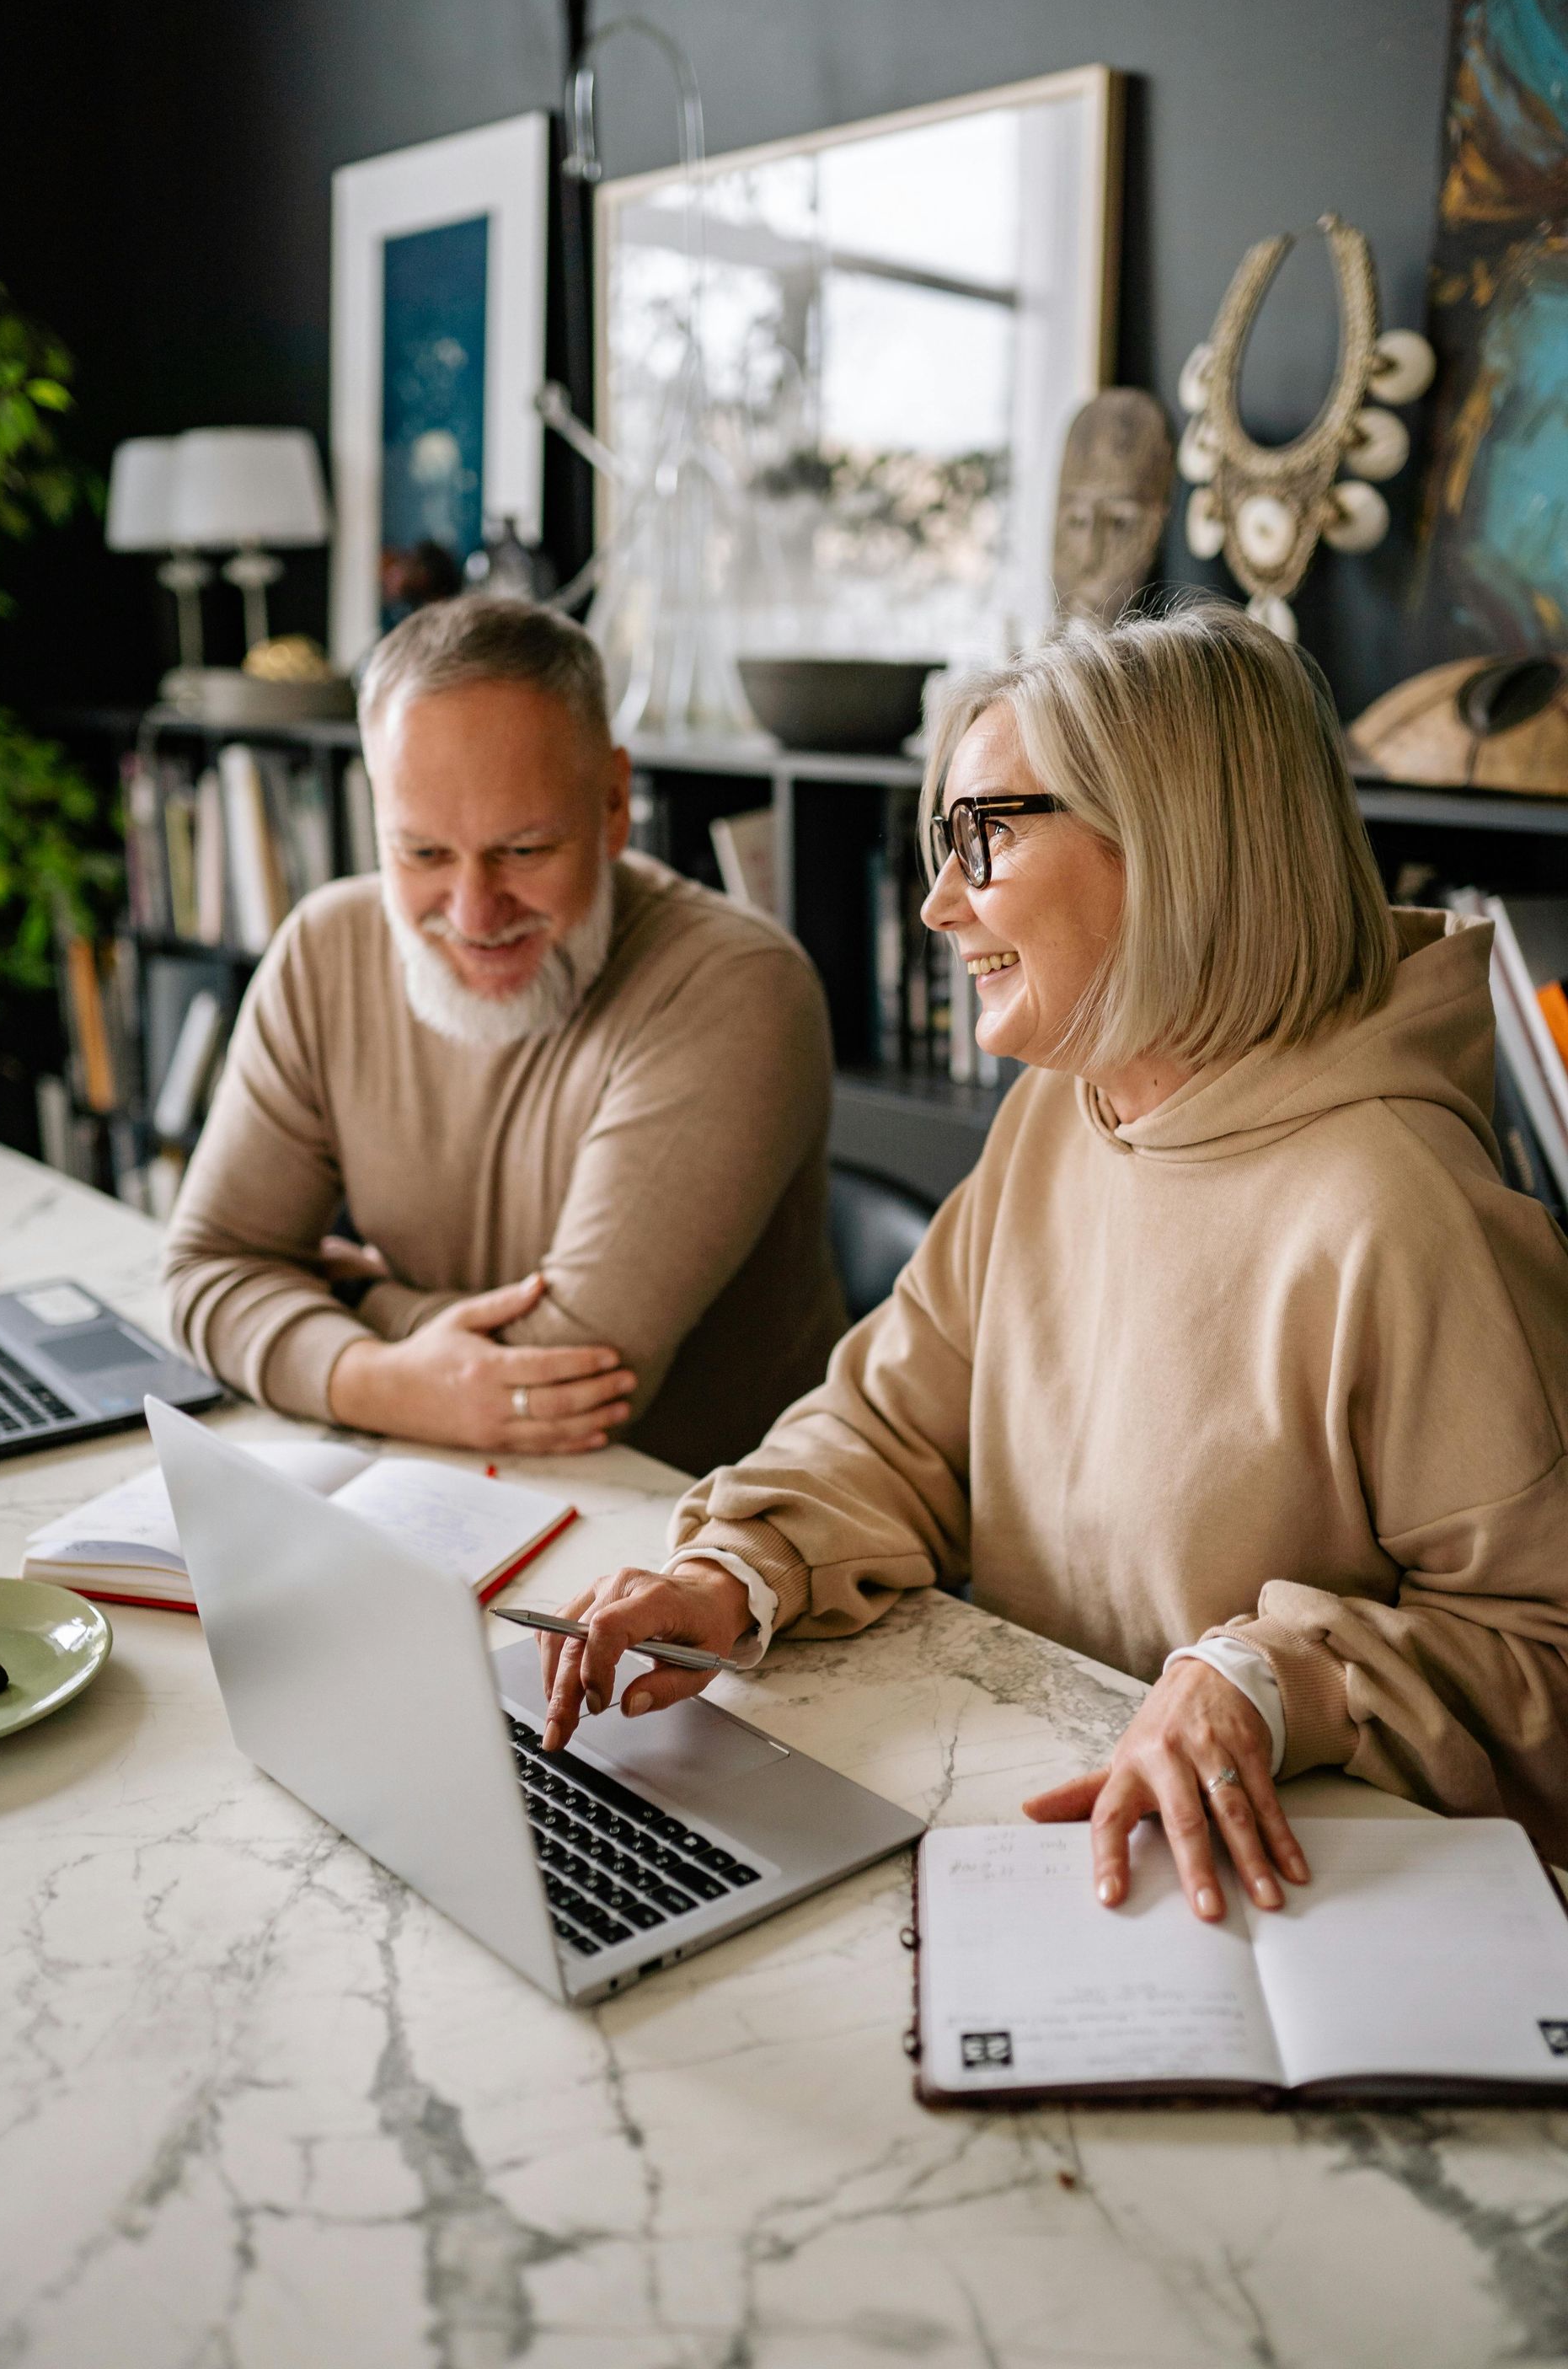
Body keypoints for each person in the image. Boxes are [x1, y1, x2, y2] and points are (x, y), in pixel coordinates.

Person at [539, 601, 1568, 1921]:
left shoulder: (1403, 1209)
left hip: (1293, 1898)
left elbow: (1543, 1659)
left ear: (1172, 849)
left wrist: (1272, 1678)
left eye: (987, 835)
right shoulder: (1059, 1114)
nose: (936, 902)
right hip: (1051, 1836)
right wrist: (727, 1571)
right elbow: (894, 1425)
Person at [162, 597, 845, 1477]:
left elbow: (575, 1381)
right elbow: (204, 1271)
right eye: (423, 855)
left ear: (612, 805)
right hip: (440, 1488)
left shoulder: (735, 986)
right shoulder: (325, 951)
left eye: (523, 851)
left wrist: (353, 1292)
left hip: (710, 1548)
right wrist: (386, 1376)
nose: (474, 914)